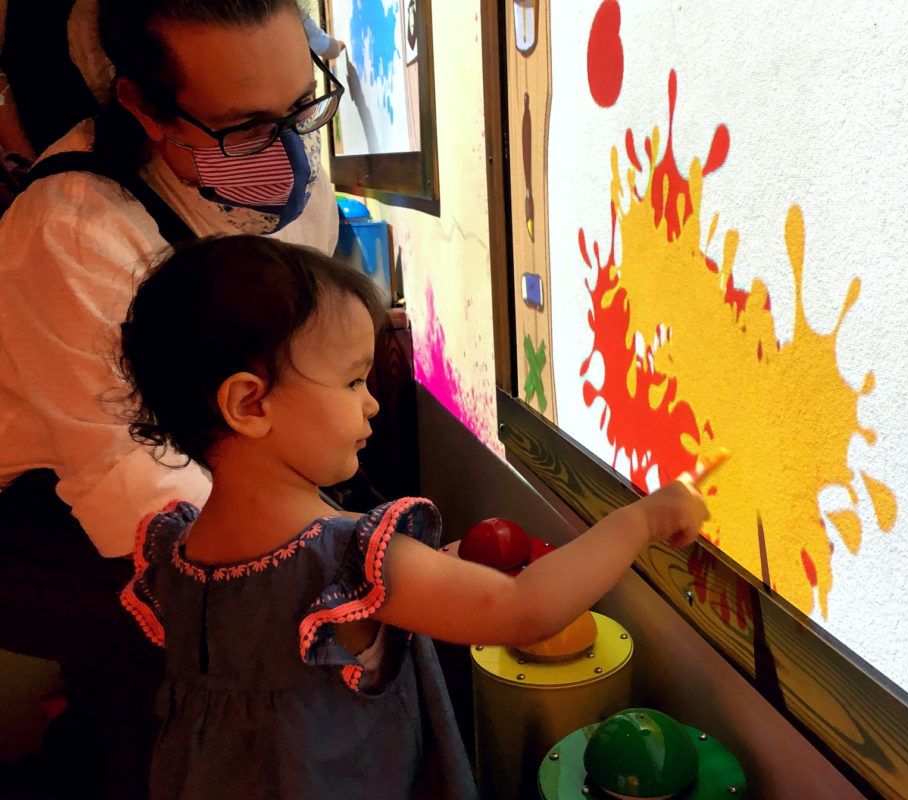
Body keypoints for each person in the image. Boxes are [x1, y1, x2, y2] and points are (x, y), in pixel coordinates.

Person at [115, 235, 711, 799]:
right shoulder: (345, 559)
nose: (373, 402)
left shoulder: (177, 551)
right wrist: (644, 519)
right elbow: (525, 611)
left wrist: (436, 571)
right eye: (353, 381)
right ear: (250, 404)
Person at [0, 1, 340, 797]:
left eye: (300, 109)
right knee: (188, 653)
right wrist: (344, 564)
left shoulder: (285, 188)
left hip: (193, 455)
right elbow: (143, 498)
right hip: (46, 512)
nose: (287, 154)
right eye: (246, 128)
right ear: (145, 108)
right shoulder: (71, 232)